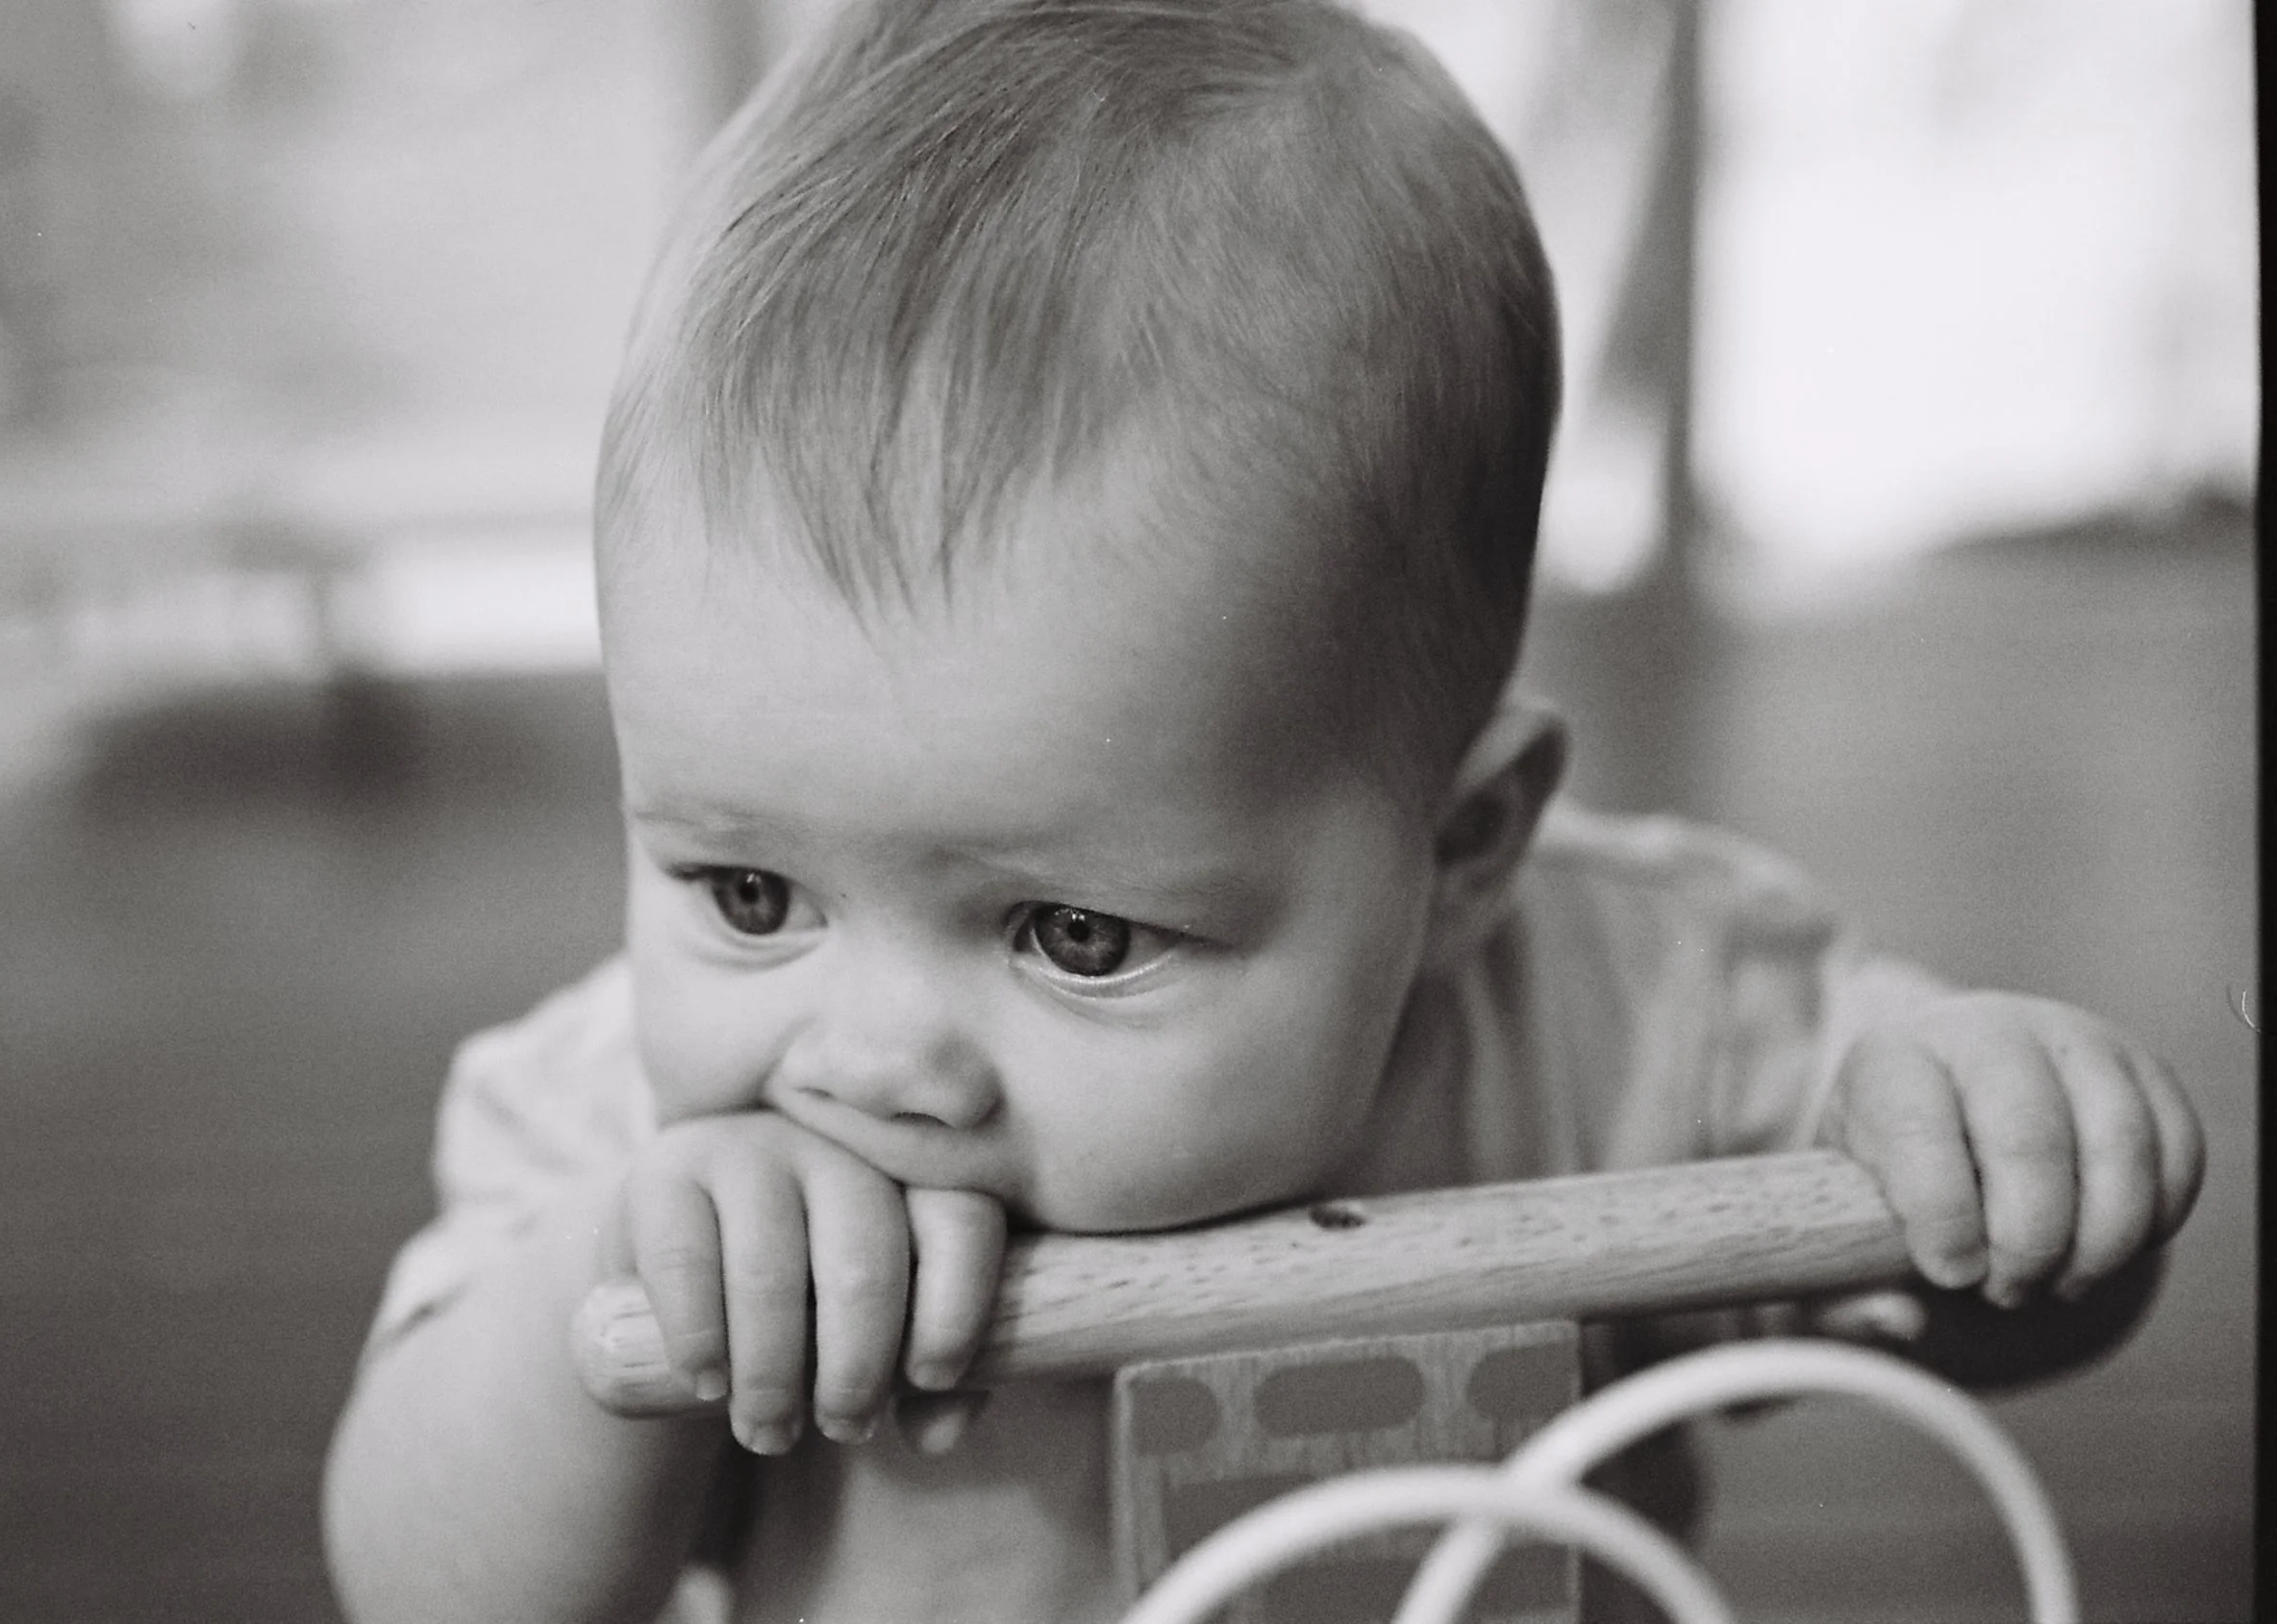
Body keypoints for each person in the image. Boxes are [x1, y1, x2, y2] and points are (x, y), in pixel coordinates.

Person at [319, 2, 2204, 1620]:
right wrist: (612, 1311)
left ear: (1460, 854)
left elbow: (1980, 1316)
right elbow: (423, 1585)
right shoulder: (616, 1137)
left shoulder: (1634, 1007)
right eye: (744, 891)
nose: (876, 1065)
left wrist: (1991, 1154)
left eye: (1071, 935)